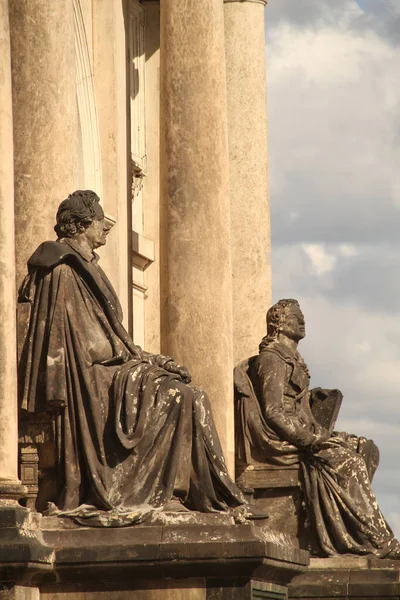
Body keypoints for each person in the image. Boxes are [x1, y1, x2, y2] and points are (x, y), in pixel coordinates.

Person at [18, 190, 257, 527]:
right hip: (90, 378)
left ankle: (191, 495)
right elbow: (85, 345)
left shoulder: (87, 267)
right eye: (101, 220)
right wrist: (137, 362)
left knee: (194, 395)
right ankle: (162, 494)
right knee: (179, 396)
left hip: (110, 365)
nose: (106, 228)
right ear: (82, 224)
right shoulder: (63, 271)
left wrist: (152, 359)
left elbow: (115, 338)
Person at [234, 298, 400, 558]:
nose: (302, 321)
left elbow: (303, 412)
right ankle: (376, 541)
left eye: (302, 317)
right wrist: (309, 440)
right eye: (296, 317)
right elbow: (274, 412)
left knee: (364, 447)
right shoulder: (272, 359)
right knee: (348, 462)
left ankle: (357, 530)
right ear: (278, 323)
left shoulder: (294, 358)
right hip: (281, 440)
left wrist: (325, 432)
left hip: (303, 431)